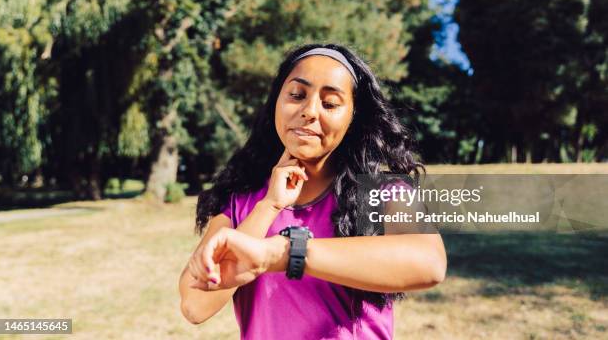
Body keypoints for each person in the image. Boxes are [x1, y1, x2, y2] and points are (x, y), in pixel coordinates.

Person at [179, 43, 447, 339]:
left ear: (352, 119)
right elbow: (195, 306)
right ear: (276, 103)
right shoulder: (238, 202)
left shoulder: (384, 192)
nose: (309, 111)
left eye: (330, 103)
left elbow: (429, 263)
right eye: (296, 95)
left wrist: (282, 254)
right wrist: (269, 206)